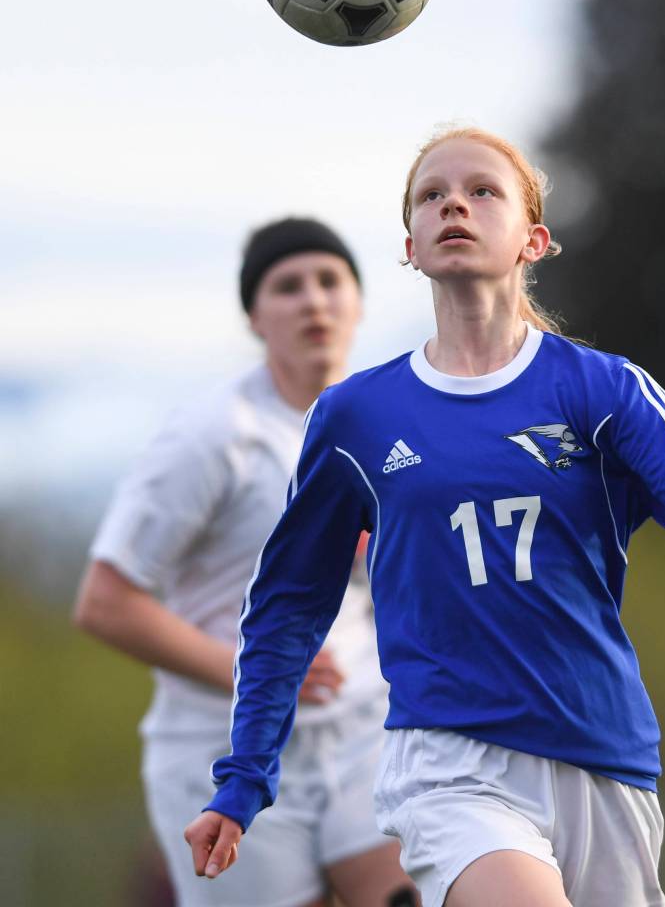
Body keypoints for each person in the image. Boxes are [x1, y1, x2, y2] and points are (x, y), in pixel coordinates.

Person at [184, 129, 665, 907]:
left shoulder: (604, 391)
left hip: (603, 757)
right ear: (410, 245)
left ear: (533, 239)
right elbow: (286, 605)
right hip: (446, 762)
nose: (453, 205)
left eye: (481, 191)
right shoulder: (357, 416)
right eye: (431, 196)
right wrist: (242, 779)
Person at [74, 218, 417, 907]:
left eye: (330, 281)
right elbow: (104, 602)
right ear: (255, 317)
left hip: (361, 735)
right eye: (288, 287)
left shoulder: (384, 427)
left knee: (426, 889)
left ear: (357, 300)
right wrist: (255, 672)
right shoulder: (211, 435)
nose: (313, 301)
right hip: (221, 749)